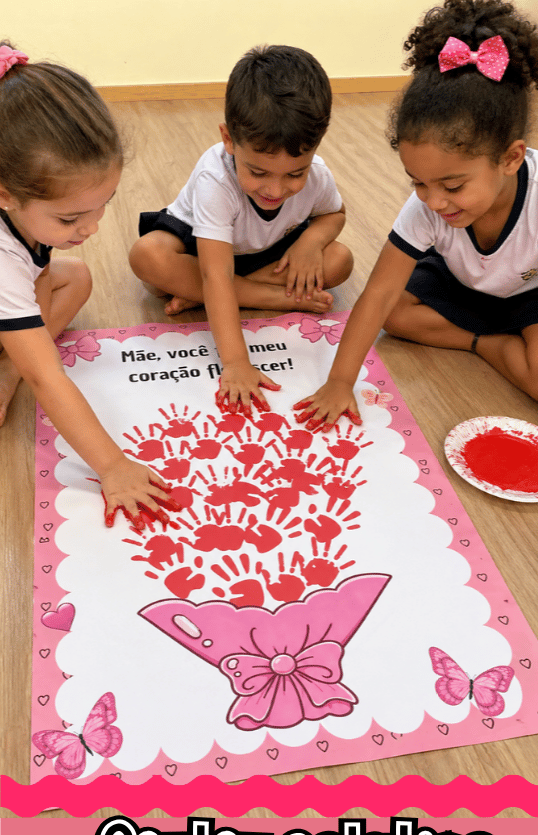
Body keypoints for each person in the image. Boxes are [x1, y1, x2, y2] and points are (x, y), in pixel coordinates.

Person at [295, 0, 538, 433]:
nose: (435, 202)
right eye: (418, 183)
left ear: (510, 158)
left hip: (527, 296)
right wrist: (340, 382)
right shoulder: (427, 206)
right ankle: (486, 343)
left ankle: (500, 341)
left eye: (453, 186)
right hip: (460, 283)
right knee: (395, 315)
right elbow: (378, 295)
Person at [0, 43, 181, 529]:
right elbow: (48, 379)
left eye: (105, 203)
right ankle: (14, 361)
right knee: (36, 358)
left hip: (11, 297)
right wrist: (113, 465)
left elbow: (40, 273)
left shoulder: (25, 211)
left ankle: (10, 366)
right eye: (70, 218)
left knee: (77, 276)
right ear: (4, 194)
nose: (93, 227)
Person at [129, 45, 353, 416]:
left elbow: (335, 214)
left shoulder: (318, 174)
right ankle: (275, 298)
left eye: (294, 174)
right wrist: (235, 363)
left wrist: (312, 241)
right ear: (228, 139)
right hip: (201, 252)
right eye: (258, 172)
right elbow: (215, 274)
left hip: (264, 254)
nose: (275, 190)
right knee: (147, 257)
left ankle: (205, 297)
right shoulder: (215, 179)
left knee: (339, 260)